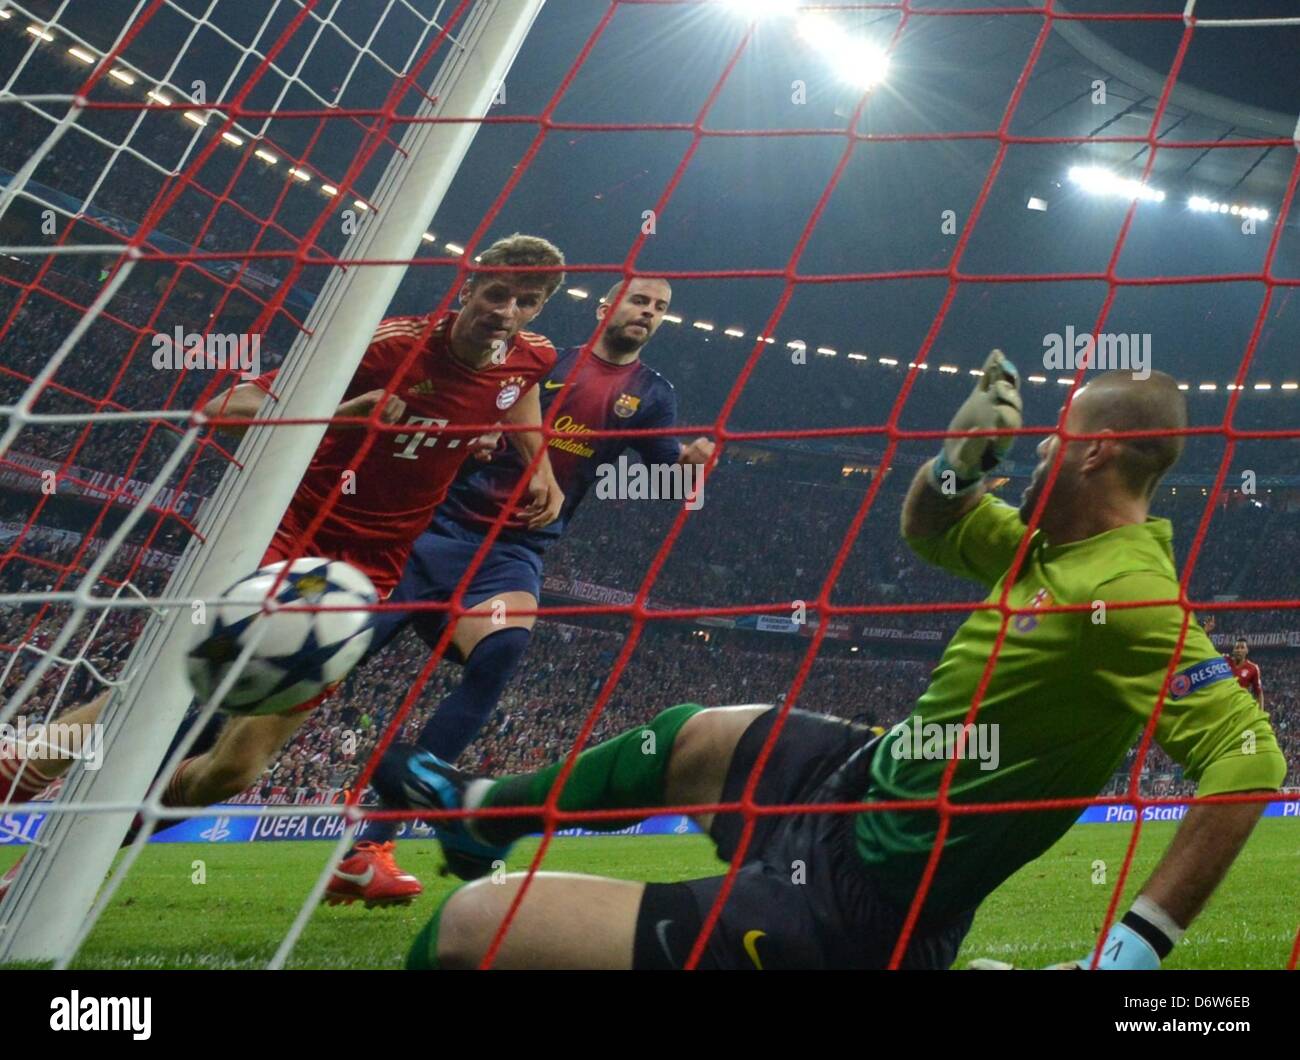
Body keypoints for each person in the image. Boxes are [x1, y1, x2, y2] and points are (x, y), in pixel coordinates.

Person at [381, 354, 1284, 969]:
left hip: (870, 906)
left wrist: (1134, 947)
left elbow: (1252, 761)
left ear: (1092, 455)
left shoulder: (1127, 592)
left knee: (470, 927)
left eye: (1054, 438)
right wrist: (955, 468)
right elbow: (930, 529)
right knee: (691, 735)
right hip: (867, 783)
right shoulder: (1046, 547)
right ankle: (481, 814)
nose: (1038, 447)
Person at [0, 234, 568, 902]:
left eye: (525, 301)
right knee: (160, 689)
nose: (506, 311)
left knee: (235, 768)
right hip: (292, 535)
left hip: (368, 577)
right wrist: (341, 415)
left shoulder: (533, 359)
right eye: (497, 292)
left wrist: (540, 463)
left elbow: (517, 391)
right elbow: (225, 412)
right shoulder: (386, 345)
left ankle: (60, 859)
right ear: (469, 286)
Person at [325, 276, 716, 905]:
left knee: (501, 653)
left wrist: (689, 469)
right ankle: (168, 765)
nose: (648, 313)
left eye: (661, 308)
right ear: (605, 306)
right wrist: (474, 436)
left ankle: (370, 844)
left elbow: (663, 479)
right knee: (329, 659)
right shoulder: (542, 360)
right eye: (640, 300)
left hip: (513, 553)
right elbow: (468, 408)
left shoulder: (651, 395)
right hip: (437, 529)